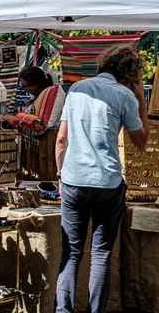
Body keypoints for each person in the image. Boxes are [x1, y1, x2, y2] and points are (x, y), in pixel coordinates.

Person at [55, 45, 148, 312]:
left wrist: (61, 175)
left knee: (70, 254)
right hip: (107, 182)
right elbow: (141, 141)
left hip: (74, 180)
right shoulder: (124, 95)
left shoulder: (77, 90)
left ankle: (64, 310)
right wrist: (140, 98)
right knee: (101, 254)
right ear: (130, 75)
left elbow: (62, 139)